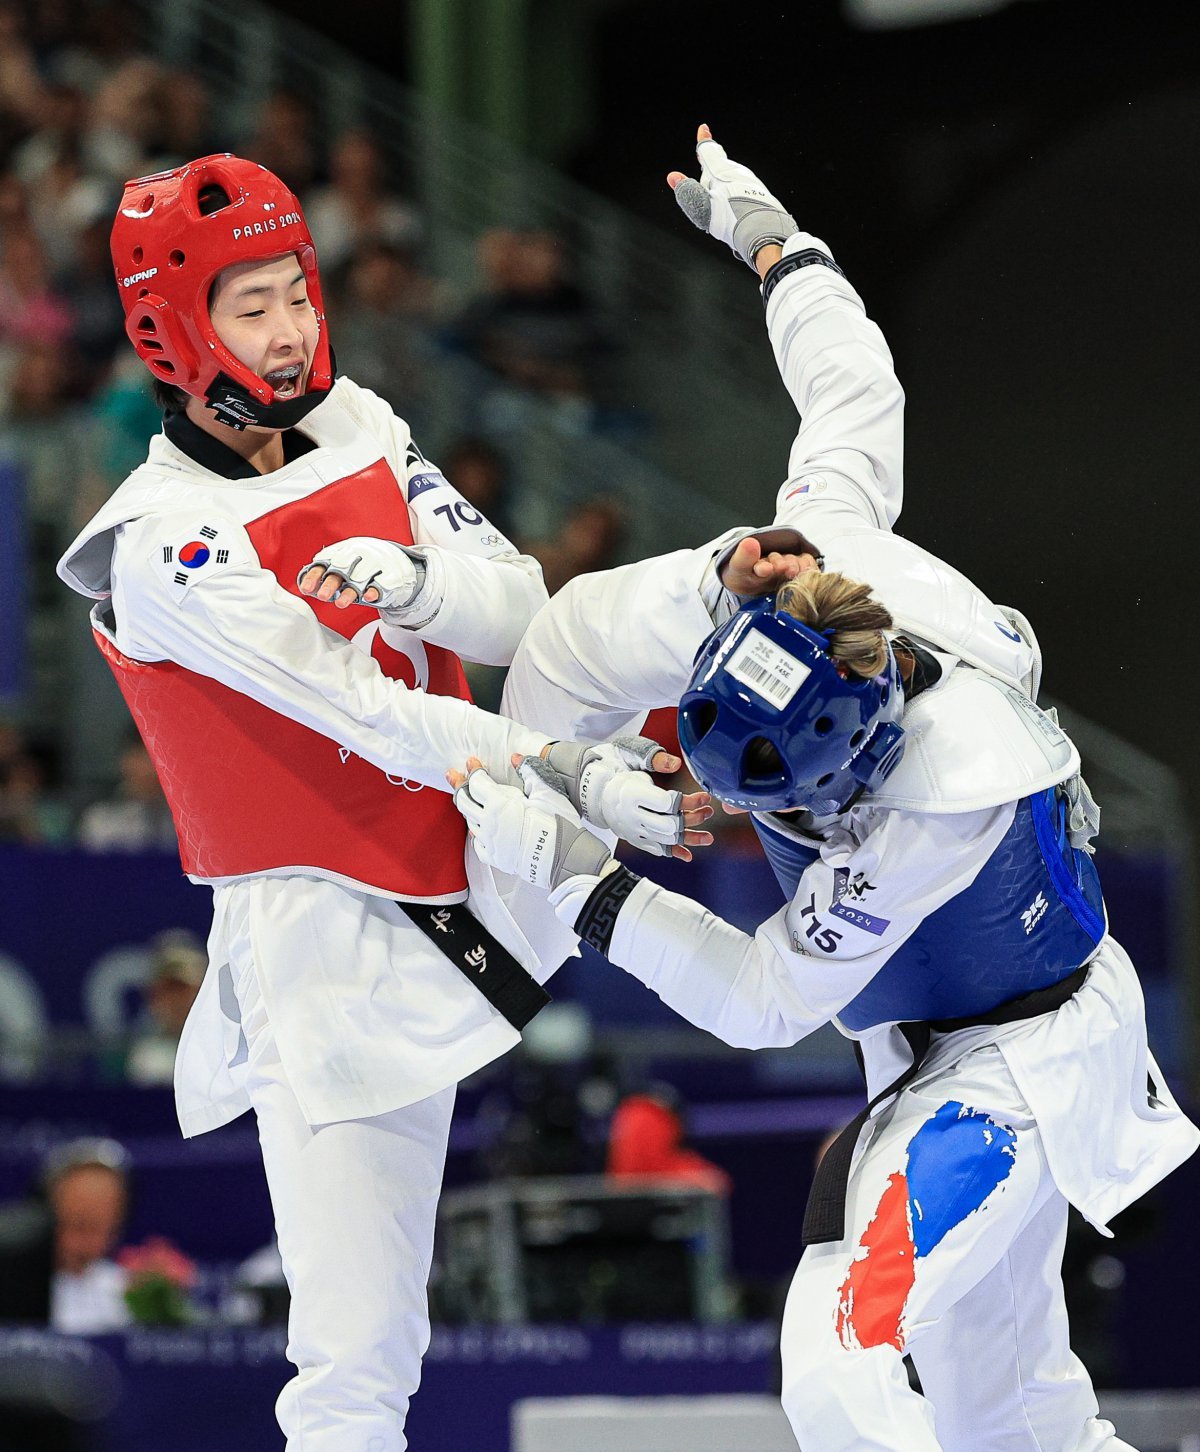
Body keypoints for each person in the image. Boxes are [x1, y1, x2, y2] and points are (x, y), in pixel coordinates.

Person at [450, 129, 1200, 1452]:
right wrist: (775, 244)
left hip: (1014, 1068)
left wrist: (586, 887)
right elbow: (852, 387)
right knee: (1007, 1418)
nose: (776, 825)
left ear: (869, 745)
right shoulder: (818, 556)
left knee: (843, 1355)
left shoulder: (944, 796)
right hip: (937, 1053)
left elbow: (760, 999)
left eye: (796, 803)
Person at [55, 153, 706, 1450]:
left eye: (296, 289)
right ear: (172, 327)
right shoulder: (162, 545)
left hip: (452, 866)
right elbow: (366, 714)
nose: (290, 327)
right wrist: (566, 771)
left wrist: (412, 581)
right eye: (250, 305)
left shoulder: (360, 419)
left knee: (385, 1348)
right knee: (354, 1365)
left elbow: (517, 604)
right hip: (322, 940)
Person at [0, 1137, 131, 1334]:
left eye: (95, 1229)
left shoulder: (127, 1294)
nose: (80, 1245)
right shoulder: (10, 1287)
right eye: (72, 1226)